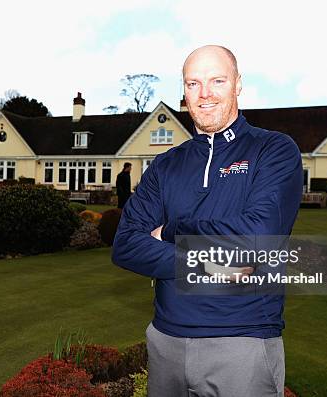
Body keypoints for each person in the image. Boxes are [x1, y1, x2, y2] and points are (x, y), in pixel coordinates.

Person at [111, 45, 303, 397]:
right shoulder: (166, 165)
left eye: (217, 80)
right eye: (193, 83)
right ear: (184, 92)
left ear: (237, 84)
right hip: (166, 341)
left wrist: (170, 230)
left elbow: (256, 238)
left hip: (242, 340)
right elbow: (125, 245)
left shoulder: (273, 150)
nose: (205, 94)